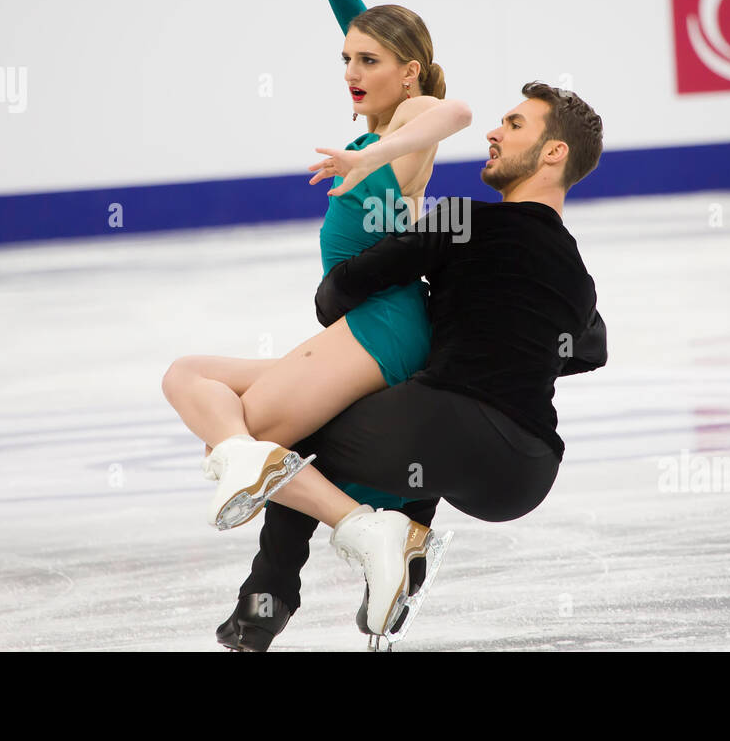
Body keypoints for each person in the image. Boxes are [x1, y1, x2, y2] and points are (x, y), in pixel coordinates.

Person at [166, 68, 607, 642]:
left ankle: (274, 595)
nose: (495, 133)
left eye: (514, 124)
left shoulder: (464, 220)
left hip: (442, 425)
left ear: (553, 152)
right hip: (523, 476)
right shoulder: (576, 271)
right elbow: (590, 349)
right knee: (420, 405)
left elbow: (341, 292)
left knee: (289, 432)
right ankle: (407, 544)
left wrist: (416, 288)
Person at [161, 0, 472, 644]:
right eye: (345, 60)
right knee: (192, 381)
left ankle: (366, 532)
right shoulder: (381, 128)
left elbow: (453, 110)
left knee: (262, 432)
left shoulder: (405, 132)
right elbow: (378, 38)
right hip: (365, 326)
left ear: (407, 72)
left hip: (386, 327)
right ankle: (368, 529)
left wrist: (370, 156)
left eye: (367, 62)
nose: (352, 72)